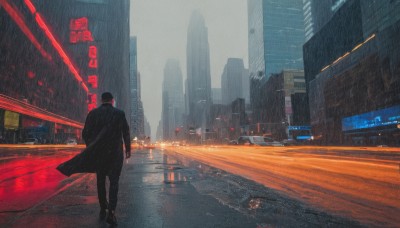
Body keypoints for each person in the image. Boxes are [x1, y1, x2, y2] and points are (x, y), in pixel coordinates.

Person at [82, 92, 131, 225]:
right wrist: (128, 149)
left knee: (100, 180)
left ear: (101, 100)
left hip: (99, 153)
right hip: (115, 154)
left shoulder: (93, 114)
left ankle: (103, 206)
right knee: (114, 182)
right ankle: (112, 212)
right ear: (112, 100)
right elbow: (126, 132)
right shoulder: (119, 114)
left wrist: (91, 146)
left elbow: (85, 133)